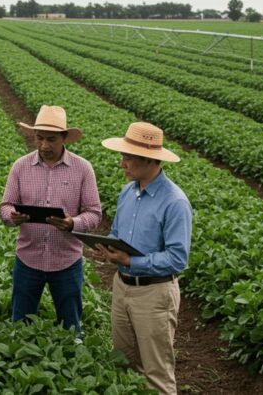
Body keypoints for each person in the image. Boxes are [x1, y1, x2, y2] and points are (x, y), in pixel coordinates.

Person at [91, 122, 193, 395]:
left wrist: (130, 261)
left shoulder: (175, 202)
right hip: (122, 287)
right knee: (122, 364)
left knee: (156, 374)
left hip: (154, 294)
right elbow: (116, 233)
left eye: (128, 157)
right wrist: (108, 251)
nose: (122, 163)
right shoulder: (128, 192)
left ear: (150, 160)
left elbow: (177, 259)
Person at [0, 105, 102, 339]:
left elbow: (94, 214)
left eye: (52, 139)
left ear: (65, 138)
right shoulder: (20, 166)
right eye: (40, 138)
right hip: (28, 259)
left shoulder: (83, 169)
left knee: (71, 328)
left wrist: (72, 223)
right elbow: (5, 206)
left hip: (66, 261)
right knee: (21, 326)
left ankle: (72, 364)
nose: (44, 145)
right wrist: (12, 217)